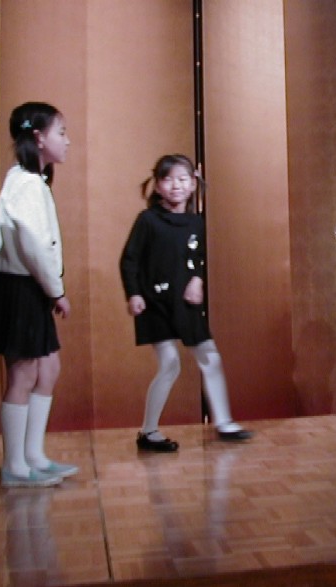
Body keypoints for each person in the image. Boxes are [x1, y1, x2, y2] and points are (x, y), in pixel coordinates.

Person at [120, 154, 252, 452]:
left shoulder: (196, 222)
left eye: (182, 179)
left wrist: (197, 280)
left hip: (185, 303)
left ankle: (224, 422)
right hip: (155, 302)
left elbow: (197, 258)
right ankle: (148, 431)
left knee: (210, 357)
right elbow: (129, 260)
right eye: (168, 179)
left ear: (193, 184)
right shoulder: (147, 220)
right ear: (157, 185)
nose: (176, 185)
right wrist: (134, 294)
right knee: (170, 364)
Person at [0, 102, 77, 488]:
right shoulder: (25, 182)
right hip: (18, 287)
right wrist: (57, 290)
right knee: (23, 372)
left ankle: (33, 456)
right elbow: (34, 245)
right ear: (39, 138)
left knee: (48, 368)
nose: (67, 141)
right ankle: (15, 466)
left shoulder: (33, 181)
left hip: (30, 287)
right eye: (61, 132)